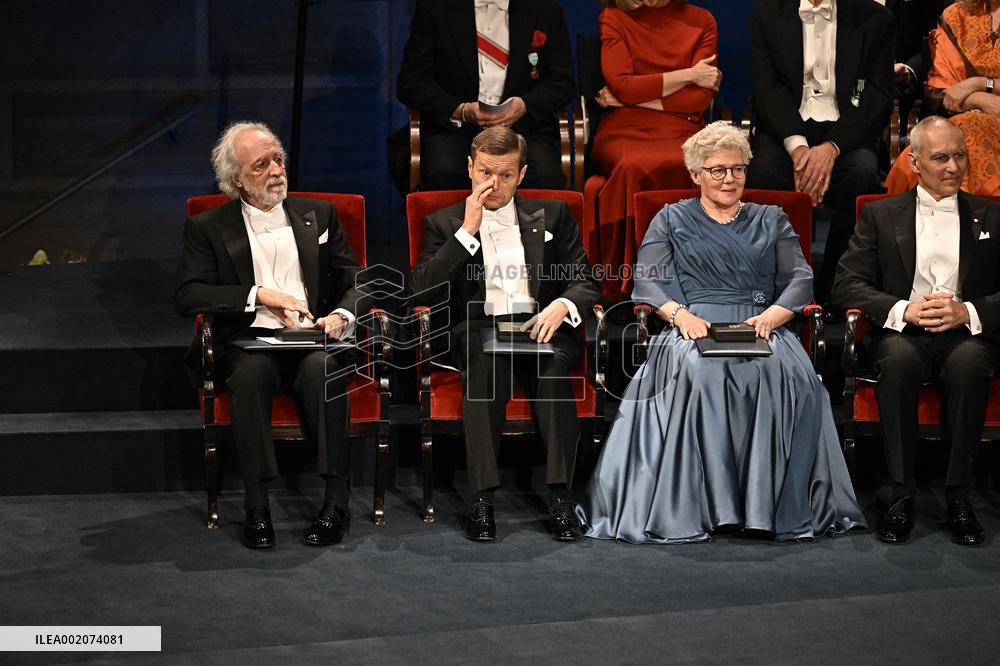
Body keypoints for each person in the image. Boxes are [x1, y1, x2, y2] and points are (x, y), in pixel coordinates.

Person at [578, 121, 865, 543]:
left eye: (737, 169)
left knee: (778, 376)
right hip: (693, 325)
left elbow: (801, 279)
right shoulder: (671, 218)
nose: (728, 179)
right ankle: (710, 507)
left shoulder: (772, 219)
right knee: (699, 374)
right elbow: (647, 281)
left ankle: (761, 507)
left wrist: (773, 315)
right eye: (717, 170)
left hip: (761, 322)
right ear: (695, 175)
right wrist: (680, 316)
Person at [174, 122, 367, 549]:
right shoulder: (208, 227)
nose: (276, 169)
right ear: (237, 179)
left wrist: (339, 315)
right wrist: (258, 295)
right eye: (261, 165)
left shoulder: (319, 214)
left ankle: (336, 503)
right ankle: (257, 506)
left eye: (278, 158)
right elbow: (189, 294)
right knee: (249, 375)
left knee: (324, 371)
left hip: (311, 339)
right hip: (249, 342)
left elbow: (359, 280)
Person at [410, 127, 600, 542]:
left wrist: (563, 305)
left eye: (506, 175)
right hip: (480, 328)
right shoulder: (443, 223)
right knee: (486, 369)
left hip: (540, 323)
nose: (493, 184)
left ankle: (561, 498)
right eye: (485, 173)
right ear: (470, 168)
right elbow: (422, 290)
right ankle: (481, 499)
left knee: (552, 372)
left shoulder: (552, 215)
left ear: (523, 174)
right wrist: (467, 231)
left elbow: (584, 279)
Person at [832, 116, 1000, 545]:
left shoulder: (992, 215)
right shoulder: (880, 213)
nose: (953, 167)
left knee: (969, 363)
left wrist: (968, 312)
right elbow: (846, 284)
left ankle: (959, 496)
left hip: (966, 334)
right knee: (901, 361)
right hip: (902, 333)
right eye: (940, 157)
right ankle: (901, 494)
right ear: (915, 161)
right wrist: (903, 310)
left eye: (959, 156)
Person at [747, 0, 895, 306]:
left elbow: (868, 92)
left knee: (862, 174)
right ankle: (779, 288)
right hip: (787, 126)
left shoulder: (874, 18)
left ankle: (837, 288)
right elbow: (768, 88)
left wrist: (832, 147)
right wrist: (798, 146)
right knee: (763, 172)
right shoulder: (768, 13)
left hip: (846, 129)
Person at [591, 0, 720, 299]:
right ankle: (627, 284)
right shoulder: (614, 16)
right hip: (623, 129)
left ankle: (691, 282)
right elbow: (622, 85)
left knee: (688, 161)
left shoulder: (702, 20)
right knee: (632, 163)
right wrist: (688, 74)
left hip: (682, 127)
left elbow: (698, 99)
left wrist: (630, 95)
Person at [393, 0, 575, 192]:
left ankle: (529, 224)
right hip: (455, 131)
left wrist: (524, 105)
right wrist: (461, 110)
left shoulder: (545, 11)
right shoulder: (436, 8)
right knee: (442, 171)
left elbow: (562, 82)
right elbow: (411, 83)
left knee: (546, 175)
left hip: (523, 130)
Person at [885, 0, 1000, 197]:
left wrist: (980, 84)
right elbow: (942, 91)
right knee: (940, 140)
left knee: (954, 139)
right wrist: (978, 98)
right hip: (965, 119)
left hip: (973, 124)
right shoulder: (957, 15)